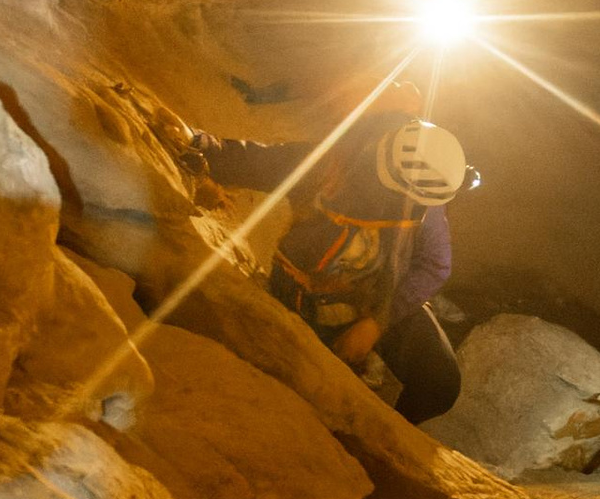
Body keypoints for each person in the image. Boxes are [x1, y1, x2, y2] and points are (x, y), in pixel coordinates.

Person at [186, 100, 472, 423]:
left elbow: (435, 263)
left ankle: (385, 441)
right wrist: (195, 140)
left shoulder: (423, 191)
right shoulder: (334, 168)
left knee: (440, 383)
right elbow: (259, 162)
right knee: (311, 395)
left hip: (381, 291)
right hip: (309, 296)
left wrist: (377, 322)